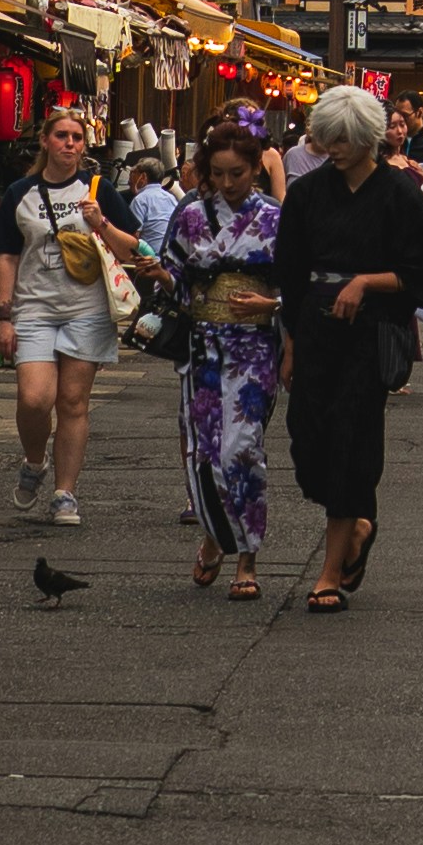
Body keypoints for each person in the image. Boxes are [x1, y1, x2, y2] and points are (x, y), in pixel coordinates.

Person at [276, 84, 423, 609]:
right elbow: (290, 273)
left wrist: (367, 282)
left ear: (369, 138)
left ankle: (328, 571)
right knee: (308, 443)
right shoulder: (306, 195)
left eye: (345, 138)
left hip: (369, 337)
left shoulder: (400, 194)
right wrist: (289, 343)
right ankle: (359, 527)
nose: (335, 147)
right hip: (314, 328)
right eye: (328, 138)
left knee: (351, 440)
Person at [0, 94, 145, 532]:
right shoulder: (21, 193)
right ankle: (34, 461)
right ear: (45, 141)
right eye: (62, 136)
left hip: (87, 309)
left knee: (73, 402)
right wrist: (5, 315)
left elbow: (135, 250)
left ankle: (64, 492)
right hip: (35, 308)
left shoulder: (100, 191)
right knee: (34, 398)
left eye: (77, 138)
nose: (71, 144)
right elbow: (6, 257)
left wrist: (102, 224)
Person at [167, 116, 287, 596]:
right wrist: (161, 279)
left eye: (236, 172)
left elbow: (297, 284)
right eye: (217, 173)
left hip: (253, 345)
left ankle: (248, 559)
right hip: (203, 346)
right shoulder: (190, 215)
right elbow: (174, 272)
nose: (226, 183)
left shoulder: (277, 218)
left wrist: (272, 304)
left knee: (243, 448)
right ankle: (216, 536)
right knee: (205, 451)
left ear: (256, 168)